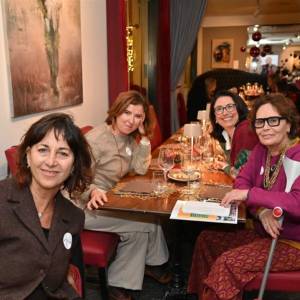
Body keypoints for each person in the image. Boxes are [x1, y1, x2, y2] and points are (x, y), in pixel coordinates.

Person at [188, 93, 300, 300]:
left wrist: (250, 195)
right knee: (206, 239)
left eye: (273, 120)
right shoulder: (262, 150)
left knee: (227, 263)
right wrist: (261, 211)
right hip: (264, 232)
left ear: (288, 124)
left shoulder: (297, 154)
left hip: (292, 243)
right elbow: (241, 181)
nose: (265, 127)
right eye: (259, 122)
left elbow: (297, 203)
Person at [80, 90, 170, 300]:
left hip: (110, 199)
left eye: (138, 116)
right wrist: (93, 190)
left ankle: (121, 281)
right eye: (127, 113)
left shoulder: (127, 137)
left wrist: (145, 139)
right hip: (84, 206)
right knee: (146, 222)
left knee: (142, 225)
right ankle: (154, 264)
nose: (131, 120)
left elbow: (139, 168)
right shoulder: (95, 139)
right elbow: (77, 181)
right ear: (116, 112)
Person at [0, 113, 93, 299]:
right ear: (28, 156)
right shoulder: (3, 199)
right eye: (43, 149)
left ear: (74, 165)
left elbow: (72, 273)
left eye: (63, 153)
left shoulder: (74, 217)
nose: (51, 162)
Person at [209, 90, 259, 174]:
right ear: (215, 117)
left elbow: (243, 174)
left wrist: (226, 167)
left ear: (239, 109)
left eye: (229, 107)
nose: (225, 112)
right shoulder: (230, 133)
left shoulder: (245, 130)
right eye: (219, 109)